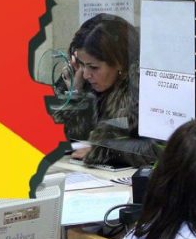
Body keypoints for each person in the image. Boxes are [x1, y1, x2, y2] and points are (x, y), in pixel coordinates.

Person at [53, 14, 159, 167]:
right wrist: (74, 93)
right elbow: (55, 134)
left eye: (93, 67)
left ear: (120, 63)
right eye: (81, 64)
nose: (86, 74)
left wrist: (103, 149)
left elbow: (158, 148)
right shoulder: (79, 76)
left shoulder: (145, 87)